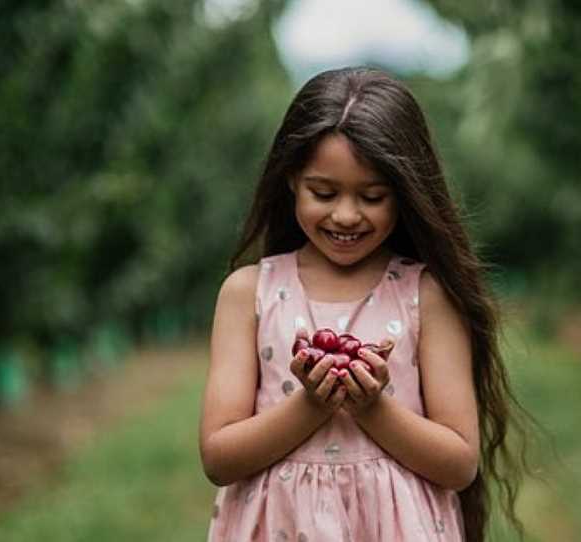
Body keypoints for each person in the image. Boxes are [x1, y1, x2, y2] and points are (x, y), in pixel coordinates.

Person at [199, 66, 530, 542]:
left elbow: (459, 462)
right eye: (324, 192)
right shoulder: (248, 293)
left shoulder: (426, 296)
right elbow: (218, 455)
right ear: (291, 178)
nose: (347, 215)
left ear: (406, 194)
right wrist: (312, 404)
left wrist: (374, 408)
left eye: (373, 196)